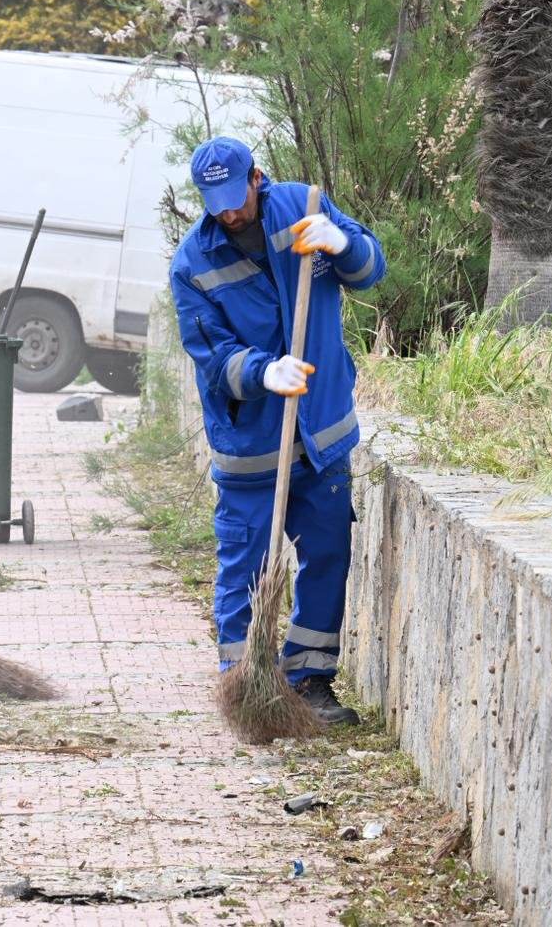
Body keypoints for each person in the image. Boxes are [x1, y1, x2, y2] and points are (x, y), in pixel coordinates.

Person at [168, 136, 386, 725]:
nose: (227, 212)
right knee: (245, 564)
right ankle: (244, 687)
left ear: (256, 178)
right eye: (213, 202)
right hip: (252, 443)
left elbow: (370, 271)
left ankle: (309, 680)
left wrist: (342, 244)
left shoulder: (305, 206)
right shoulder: (192, 264)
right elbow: (212, 359)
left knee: (327, 551)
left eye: (233, 197)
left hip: (321, 433)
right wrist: (265, 372)